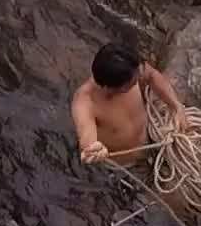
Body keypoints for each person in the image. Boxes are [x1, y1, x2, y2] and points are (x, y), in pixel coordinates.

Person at [71, 41, 191, 169]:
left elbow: (151, 75)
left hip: (153, 141)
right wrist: (95, 150)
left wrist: (176, 107)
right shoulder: (85, 103)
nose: (139, 78)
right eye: (133, 82)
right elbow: (87, 143)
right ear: (113, 88)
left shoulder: (131, 68)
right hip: (125, 168)